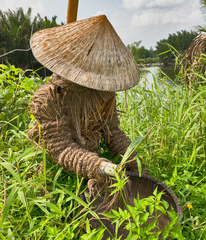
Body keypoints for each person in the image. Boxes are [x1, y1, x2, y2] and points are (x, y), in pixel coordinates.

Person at [28, 15, 147, 199]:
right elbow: (62, 148)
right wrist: (100, 166)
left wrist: (132, 158)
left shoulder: (102, 94)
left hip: (92, 155)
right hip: (56, 168)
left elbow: (112, 130)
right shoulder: (50, 98)